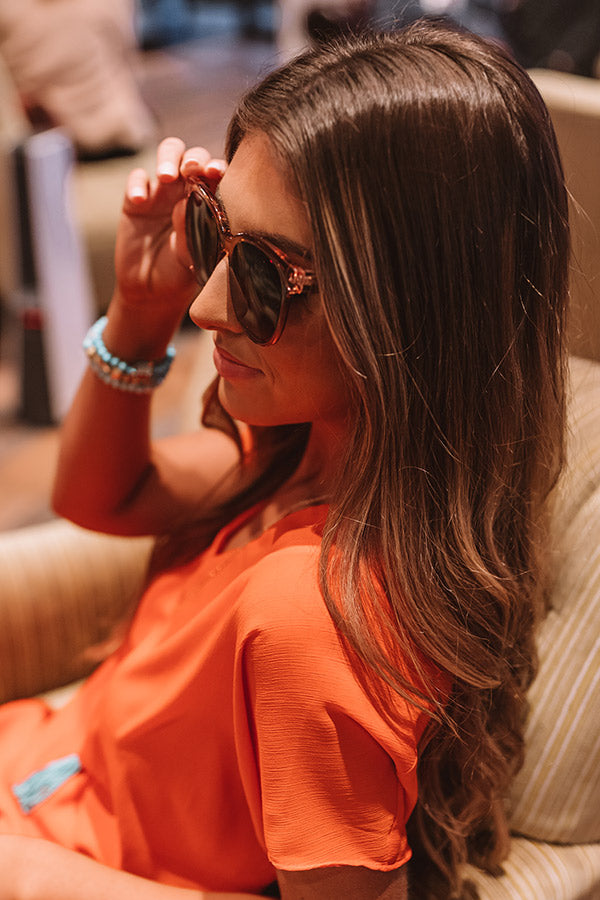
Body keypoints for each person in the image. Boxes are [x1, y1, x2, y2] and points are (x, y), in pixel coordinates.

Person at [0, 18, 569, 900]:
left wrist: (31, 877)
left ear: (405, 308)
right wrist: (139, 311)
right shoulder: (310, 450)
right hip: (43, 772)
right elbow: (104, 498)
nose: (208, 306)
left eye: (267, 274)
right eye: (214, 236)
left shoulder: (312, 612)